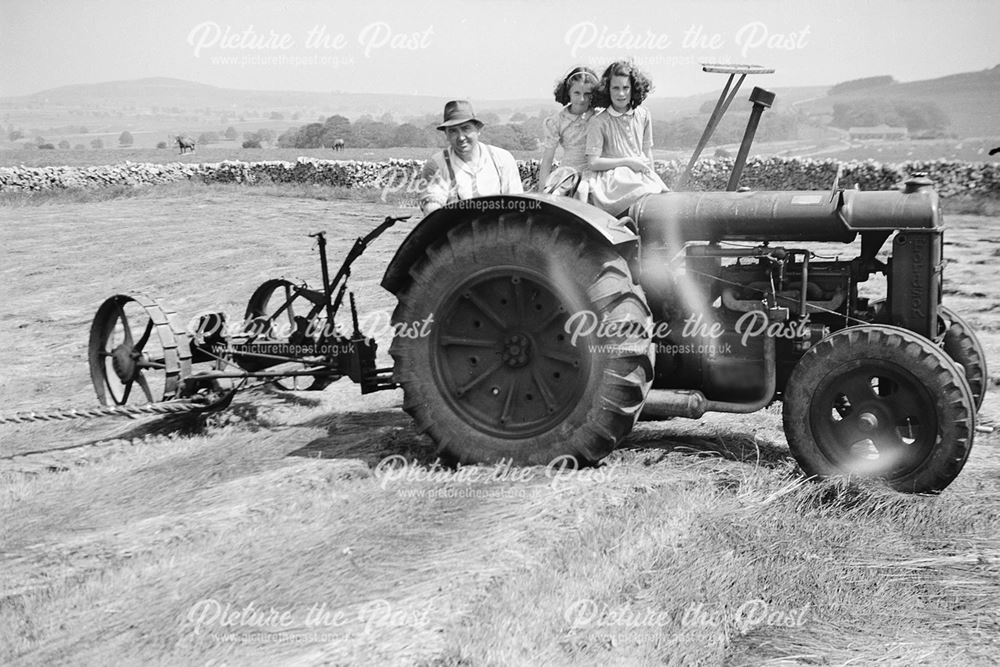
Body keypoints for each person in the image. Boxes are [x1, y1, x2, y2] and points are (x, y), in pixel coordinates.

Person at [585, 60, 668, 216]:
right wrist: (627, 162)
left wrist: (652, 175)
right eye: (615, 88)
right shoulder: (599, 121)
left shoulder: (643, 115)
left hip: (640, 173)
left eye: (625, 88)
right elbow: (593, 162)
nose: (621, 94)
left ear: (633, 89)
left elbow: (646, 152)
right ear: (607, 90)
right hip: (613, 180)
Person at [419, 100, 523, 214]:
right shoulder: (437, 164)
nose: (461, 137)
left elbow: (517, 204)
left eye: (465, 128)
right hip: (455, 229)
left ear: (478, 129)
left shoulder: (502, 159)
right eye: (453, 131)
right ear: (446, 135)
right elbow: (432, 207)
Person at [537, 66, 600, 199]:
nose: (582, 99)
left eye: (587, 94)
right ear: (568, 92)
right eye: (577, 93)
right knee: (555, 197)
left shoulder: (599, 118)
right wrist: (542, 191)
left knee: (583, 191)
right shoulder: (557, 121)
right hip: (568, 173)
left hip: (594, 172)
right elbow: (548, 159)